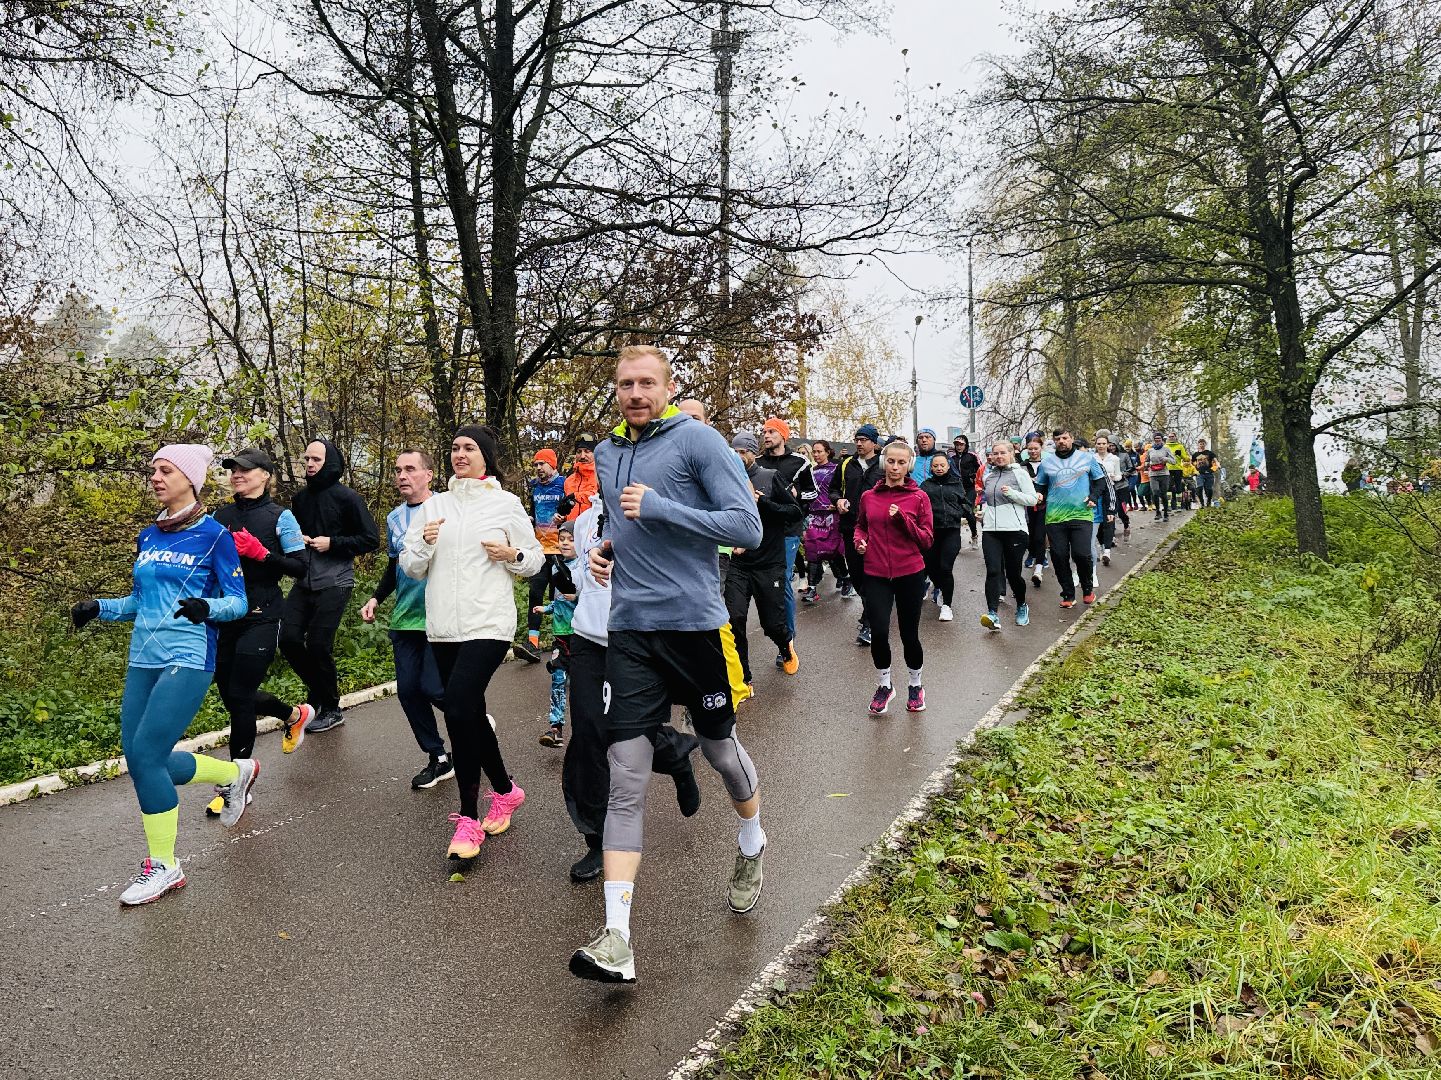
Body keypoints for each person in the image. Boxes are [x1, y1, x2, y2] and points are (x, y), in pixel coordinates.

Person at [569, 344, 765, 985]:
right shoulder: (606, 452)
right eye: (625, 383)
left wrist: (660, 507)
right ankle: (616, 939)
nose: (635, 393)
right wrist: (605, 548)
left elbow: (747, 528)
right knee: (626, 776)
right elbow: (624, 526)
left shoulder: (699, 441)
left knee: (719, 751)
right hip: (630, 630)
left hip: (694, 627)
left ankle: (752, 840)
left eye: (646, 383)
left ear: (668, 386)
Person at [70, 444, 252, 905]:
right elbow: (139, 601)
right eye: (153, 470)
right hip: (144, 657)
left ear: (190, 480)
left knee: (148, 756)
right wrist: (99, 608)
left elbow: (238, 602)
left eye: (165, 470)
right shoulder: (148, 536)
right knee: (140, 759)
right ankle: (234, 773)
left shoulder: (215, 536)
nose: (155, 477)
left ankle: (165, 866)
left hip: (188, 657)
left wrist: (206, 607)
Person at [400, 425, 544, 861]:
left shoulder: (505, 504)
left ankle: (467, 818)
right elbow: (411, 567)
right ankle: (505, 790)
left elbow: (535, 559)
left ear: (486, 456)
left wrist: (512, 556)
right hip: (444, 626)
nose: (460, 454)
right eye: (455, 448)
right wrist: (424, 546)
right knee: (469, 712)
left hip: (489, 623)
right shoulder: (434, 506)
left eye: (469, 448)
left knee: (460, 708)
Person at [563, 491, 701, 883]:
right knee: (589, 735)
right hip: (589, 639)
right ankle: (597, 839)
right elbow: (581, 583)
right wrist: (575, 570)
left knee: (629, 735)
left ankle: (675, 754)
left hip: (638, 639)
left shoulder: (651, 508)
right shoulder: (586, 520)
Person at [205, 448, 313, 818]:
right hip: (225, 615)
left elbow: (300, 568)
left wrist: (261, 553)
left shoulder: (281, 517)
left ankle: (237, 784)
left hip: (262, 615)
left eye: (246, 470)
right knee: (232, 695)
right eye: (233, 469)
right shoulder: (220, 516)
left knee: (240, 696)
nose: (237, 474)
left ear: (265, 475)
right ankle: (292, 715)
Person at [360, 450, 451, 790]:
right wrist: (376, 598)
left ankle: (470, 716)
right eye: (398, 470)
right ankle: (438, 757)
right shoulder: (395, 517)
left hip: (441, 615)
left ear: (429, 474)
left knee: (433, 687)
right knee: (409, 691)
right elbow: (393, 564)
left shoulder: (447, 508)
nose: (402, 475)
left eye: (410, 469)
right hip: (405, 617)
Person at [284, 438, 379, 734]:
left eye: (316, 460)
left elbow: (371, 539)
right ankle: (318, 694)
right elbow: (292, 537)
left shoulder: (348, 498)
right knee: (287, 639)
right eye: (307, 459)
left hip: (336, 580)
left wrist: (332, 543)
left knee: (318, 645)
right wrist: (296, 540)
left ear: (330, 463)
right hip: (304, 580)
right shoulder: (300, 499)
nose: (310, 464)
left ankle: (332, 708)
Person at [855, 440, 934, 715]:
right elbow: (861, 526)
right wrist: (860, 541)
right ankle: (885, 685)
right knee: (878, 632)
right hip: (876, 572)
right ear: (883, 462)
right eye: (891, 461)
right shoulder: (869, 497)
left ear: (909, 465)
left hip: (910, 572)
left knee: (909, 634)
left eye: (901, 462)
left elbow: (926, 539)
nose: (895, 467)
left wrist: (903, 520)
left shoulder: (919, 497)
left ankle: (915, 685)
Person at [726, 431, 801, 686]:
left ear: (753, 453)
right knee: (734, 619)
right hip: (738, 564)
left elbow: (794, 513)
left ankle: (785, 644)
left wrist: (766, 503)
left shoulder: (770, 477)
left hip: (769, 563)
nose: (738, 457)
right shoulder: (727, 479)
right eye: (734, 452)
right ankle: (743, 678)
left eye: (743, 452)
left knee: (772, 624)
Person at [759, 417, 814, 655]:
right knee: (764, 585)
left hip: (788, 530)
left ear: (783, 435)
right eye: (764, 432)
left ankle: (788, 641)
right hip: (761, 530)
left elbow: (812, 493)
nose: (766, 435)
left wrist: (797, 493)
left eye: (771, 431)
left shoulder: (799, 462)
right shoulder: (758, 463)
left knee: (782, 583)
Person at [1033, 429, 1105, 608]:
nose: (1061, 441)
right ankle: (1068, 594)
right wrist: (1039, 495)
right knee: (1059, 556)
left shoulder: (1087, 458)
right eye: (1057, 439)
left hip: (1081, 513)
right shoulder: (1046, 463)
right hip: (1055, 517)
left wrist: (1094, 496)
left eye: (1065, 438)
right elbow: (1040, 486)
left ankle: (1087, 589)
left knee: (1081, 554)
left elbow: (1100, 481)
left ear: (1071, 439)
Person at [979, 440, 1039, 630]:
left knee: (1013, 574)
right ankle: (992, 614)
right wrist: (983, 513)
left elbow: (1032, 500)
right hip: (991, 531)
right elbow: (989, 501)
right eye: (995, 453)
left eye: (1002, 453)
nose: (998, 457)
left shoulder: (1020, 474)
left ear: (1011, 453)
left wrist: (1012, 494)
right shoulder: (988, 477)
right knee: (993, 571)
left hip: (1015, 530)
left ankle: (1021, 605)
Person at [833, 423, 882, 646]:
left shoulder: (883, 464)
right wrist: (838, 500)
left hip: (877, 529)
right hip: (850, 527)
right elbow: (833, 489)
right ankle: (871, 611)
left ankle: (869, 623)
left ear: (874, 442)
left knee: (873, 576)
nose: (859, 444)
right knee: (857, 576)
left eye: (864, 440)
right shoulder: (846, 464)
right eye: (857, 440)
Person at [518, 447, 568, 663]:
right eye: (536, 465)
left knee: (558, 598)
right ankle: (533, 644)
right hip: (539, 551)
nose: (538, 468)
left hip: (561, 551)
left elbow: (573, 511)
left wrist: (564, 519)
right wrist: (528, 519)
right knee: (535, 594)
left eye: (542, 464)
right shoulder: (534, 487)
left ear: (552, 465)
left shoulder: (564, 484)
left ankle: (561, 643)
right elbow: (533, 511)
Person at [535, 520, 578, 748]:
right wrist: (546, 608)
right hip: (560, 635)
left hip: (581, 634)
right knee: (558, 679)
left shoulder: (585, 566)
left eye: (571, 539)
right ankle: (555, 729)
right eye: (562, 539)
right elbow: (559, 599)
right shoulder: (555, 567)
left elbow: (596, 599)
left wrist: (577, 597)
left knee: (582, 685)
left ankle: (588, 731)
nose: (565, 543)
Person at [920, 452, 967, 622]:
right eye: (935, 466)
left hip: (951, 531)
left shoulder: (956, 483)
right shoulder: (925, 485)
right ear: (931, 468)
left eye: (942, 465)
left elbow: (964, 502)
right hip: (932, 532)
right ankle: (939, 586)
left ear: (948, 466)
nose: (939, 468)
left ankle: (947, 606)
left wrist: (966, 513)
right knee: (931, 567)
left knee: (946, 567)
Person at [802, 440, 849, 601]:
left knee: (832, 550)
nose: (816, 455)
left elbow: (843, 490)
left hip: (832, 515)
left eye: (819, 451)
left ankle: (845, 578)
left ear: (828, 452)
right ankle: (812, 589)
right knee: (812, 549)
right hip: (814, 514)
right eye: (814, 452)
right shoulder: (810, 471)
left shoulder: (836, 469)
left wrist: (837, 503)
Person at [1019, 436, 1049, 587]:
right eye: (1030, 449)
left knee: (1040, 535)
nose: (1033, 451)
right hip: (1026, 506)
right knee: (1029, 535)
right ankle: (1032, 553)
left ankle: (1039, 567)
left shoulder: (1047, 465)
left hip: (1044, 505)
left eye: (1036, 448)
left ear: (1041, 449)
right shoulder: (1021, 466)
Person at [948, 435, 982, 548]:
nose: (959, 447)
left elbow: (981, 469)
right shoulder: (952, 458)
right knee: (956, 513)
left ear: (966, 445)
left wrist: (974, 476)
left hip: (970, 488)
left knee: (968, 511)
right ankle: (956, 540)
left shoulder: (972, 456)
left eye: (961, 444)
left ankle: (974, 536)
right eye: (957, 444)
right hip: (956, 488)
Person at [560, 433, 600, 522]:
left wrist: (576, 496)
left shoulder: (601, 476)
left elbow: (599, 499)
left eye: (587, 451)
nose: (582, 456)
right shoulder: (569, 481)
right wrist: (562, 518)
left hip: (594, 528)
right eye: (579, 451)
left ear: (595, 453)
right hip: (571, 528)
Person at [1145, 433, 1177, 522]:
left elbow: (1174, 461)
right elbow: (1146, 461)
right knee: (1155, 492)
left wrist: (1166, 459)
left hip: (1164, 474)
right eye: (1155, 438)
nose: (1157, 440)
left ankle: (1166, 513)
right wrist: (1148, 464)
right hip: (1153, 474)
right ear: (1153, 439)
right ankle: (1158, 512)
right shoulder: (1150, 450)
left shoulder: (1166, 449)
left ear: (1162, 439)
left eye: (1159, 438)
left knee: (1163, 494)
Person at [1164, 430, 1190, 513]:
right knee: (1168, 487)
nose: (1171, 438)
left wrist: (1180, 454)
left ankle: (1179, 506)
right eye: (1170, 437)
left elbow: (1186, 459)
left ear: (1175, 437)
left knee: (1178, 487)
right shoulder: (1165, 446)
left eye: (1172, 436)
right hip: (1168, 469)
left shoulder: (1180, 446)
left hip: (1178, 469)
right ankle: (1168, 505)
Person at [1193, 438, 1219, 507]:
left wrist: (1213, 469)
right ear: (1198, 445)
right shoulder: (1195, 455)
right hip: (1199, 474)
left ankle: (1209, 501)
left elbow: (1215, 461)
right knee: (1199, 487)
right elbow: (1192, 464)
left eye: (1203, 444)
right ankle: (1201, 503)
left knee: (1209, 489)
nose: (1202, 445)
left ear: (1205, 444)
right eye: (1200, 444)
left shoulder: (1209, 453)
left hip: (1209, 474)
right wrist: (1194, 471)